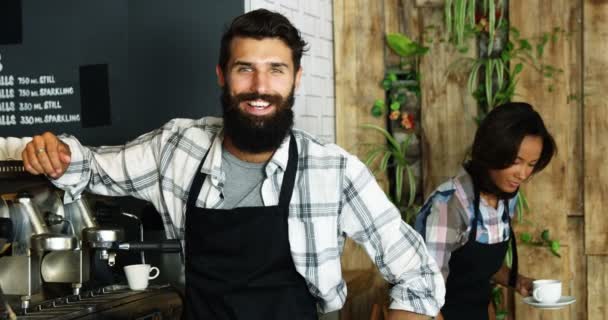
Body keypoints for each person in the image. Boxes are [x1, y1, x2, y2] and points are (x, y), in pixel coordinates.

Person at [21, 9, 444, 320]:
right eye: (246, 69)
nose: (260, 88)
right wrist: (53, 150)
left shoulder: (332, 170)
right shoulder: (179, 147)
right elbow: (92, 167)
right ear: (222, 75)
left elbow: (419, 277)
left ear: (297, 79)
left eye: (276, 70)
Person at [414, 102, 557, 320]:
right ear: (492, 152)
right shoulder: (450, 205)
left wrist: (518, 281)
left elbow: (476, 266)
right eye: (516, 162)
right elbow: (425, 295)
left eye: (531, 164)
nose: (523, 174)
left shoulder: (507, 198)